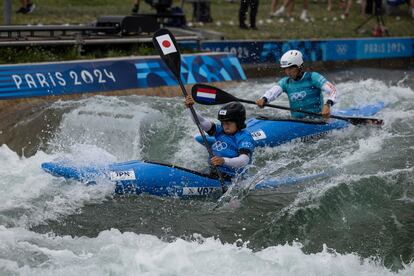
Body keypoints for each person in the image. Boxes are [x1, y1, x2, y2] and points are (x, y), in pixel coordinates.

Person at [184, 95, 255, 179]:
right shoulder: (220, 130)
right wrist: (190, 108)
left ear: (238, 122)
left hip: (231, 176)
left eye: (228, 123)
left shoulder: (244, 137)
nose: (225, 126)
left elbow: (244, 160)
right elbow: (201, 121)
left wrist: (224, 161)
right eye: (223, 123)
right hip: (214, 171)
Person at [256, 50, 337, 119]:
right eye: (285, 69)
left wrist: (327, 105)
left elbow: (333, 90)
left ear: (299, 66)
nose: (288, 72)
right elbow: (273, 92)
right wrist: (264, 99)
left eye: (291, 68)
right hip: (297, 121)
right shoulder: (285, 82)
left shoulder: (313, 77)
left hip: (317, 121)